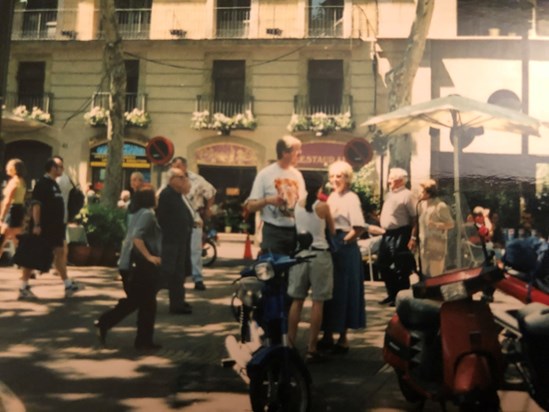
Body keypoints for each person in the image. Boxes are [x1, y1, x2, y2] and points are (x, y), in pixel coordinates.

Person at [318, 161, 385, 354]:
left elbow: (358, 227)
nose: (335, 180)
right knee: (329, 291)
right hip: (331, 243)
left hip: (344, 246)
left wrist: (343, 243)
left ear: (347, 178)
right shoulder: (331, 196)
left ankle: (343, 338)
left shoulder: (351, 198)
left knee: (344, 291)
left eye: (339, 176)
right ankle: (327, 334)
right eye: (332, 176)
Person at [94, 186, 163, 350]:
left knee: (138, 301)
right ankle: (139, 339)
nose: (157, 198)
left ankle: (140, 339)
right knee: (146, 304)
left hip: (127, 263)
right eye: (154, 196)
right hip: (140, 266)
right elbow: (137, 238)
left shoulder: (134, 213)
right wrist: (150, 257)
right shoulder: (147, 214)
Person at [16, 157, 84, 300]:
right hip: (44, 228)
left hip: (55, 227)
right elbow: (36, 205)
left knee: (60, 253)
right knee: (32, 256)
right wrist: (37, 225)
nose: (62, 169)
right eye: (60, 166)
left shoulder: (54, 184)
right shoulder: (42, 184)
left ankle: (68, 285)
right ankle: (23, 287)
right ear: (52, 168)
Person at [287, 172, 335, 363]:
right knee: (318, 302)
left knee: (296, 301)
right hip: (319, 255)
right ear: (320, 187)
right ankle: (311, 348)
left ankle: (290, 343)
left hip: (300, 255)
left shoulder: (296, 206)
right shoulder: (323, 206)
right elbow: (331, 230)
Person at [245, 135, 306, 255]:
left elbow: (303, 203)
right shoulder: (265, 174)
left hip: (295, 231)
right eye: (297, 150)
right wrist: (268, 200)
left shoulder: (297, 175)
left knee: (293, 271)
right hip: (273, 231)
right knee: (273, 270)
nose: (300, 153)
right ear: (285, 153)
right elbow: (250, 206)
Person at [170, 157, 216, 291]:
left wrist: (208, 208)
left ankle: (198, 278)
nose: (176, 169)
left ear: (185, 166)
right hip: (176, 219)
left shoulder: (196, 179)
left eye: (178, 166)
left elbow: (211, 192)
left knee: (195, 249)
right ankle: (178, 279)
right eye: (174, 166)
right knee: (178, 250)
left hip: (194, 216)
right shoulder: (170, 180)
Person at [377, 167, 417, 307]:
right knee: (382, 264)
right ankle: (391, 293)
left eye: (391, 178)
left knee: (400, 266)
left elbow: (414, 217)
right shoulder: (390, 194)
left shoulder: (407, 195)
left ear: (399, 180)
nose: (388, 181)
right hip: (387, 234)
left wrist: (413, 237)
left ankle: (401, 298)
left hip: (401, 232)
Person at [157, 167, 193, 314]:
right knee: (169, 273)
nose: (184, 180)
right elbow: (162, 218)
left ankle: (178, 303)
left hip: (180, 241)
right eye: (181, 177)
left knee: (179, 273)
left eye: (184, 177)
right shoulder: (166, 195)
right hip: (171, 241)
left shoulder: (178, 195)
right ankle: (144, 299)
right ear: (172, 180)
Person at [416, 179, 454, 277]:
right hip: (424, 245)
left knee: (435, 274)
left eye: (422, 191)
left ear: (428, 193)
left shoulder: (440, 206)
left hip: (436, 245)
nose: (420, 193)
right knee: (424, 273)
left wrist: (436, 224)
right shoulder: (423, 206)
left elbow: (451, 224)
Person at [0, 159, 27, 257]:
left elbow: (8, 200)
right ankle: (24, 263)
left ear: (14, 168)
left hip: (11, 211)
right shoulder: (22, 182)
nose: (7, 168)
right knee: (17, 239)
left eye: (9, 166)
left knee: (2, 238)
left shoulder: (13, 182)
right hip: (19, 210)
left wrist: (2, 216)